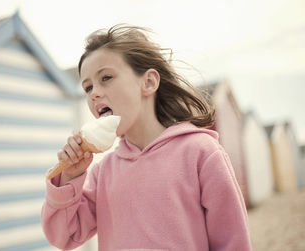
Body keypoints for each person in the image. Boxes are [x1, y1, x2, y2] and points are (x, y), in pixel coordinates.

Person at [41, 24, 251, 250]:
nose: (95, 93)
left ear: (149, 82)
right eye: (88, 87)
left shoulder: (201, 152)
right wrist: (70, 176)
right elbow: (64, 236)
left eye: (106, 77)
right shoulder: (104, 172)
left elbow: (233, 242)